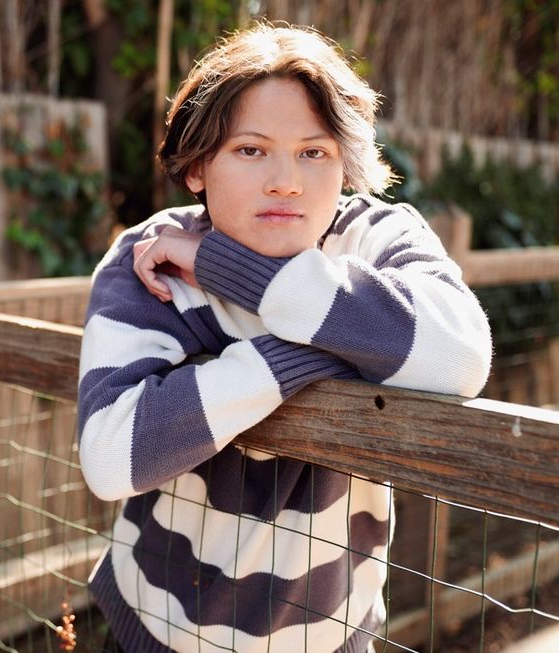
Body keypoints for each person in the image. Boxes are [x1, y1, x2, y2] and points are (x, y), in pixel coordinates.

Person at [76, 23, 492, 653]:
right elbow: (111, 456)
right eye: (250, 149)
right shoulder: (153, 262)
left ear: (344, 164)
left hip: (327, 636)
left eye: (313, 152)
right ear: (195, 165)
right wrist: (311, 353)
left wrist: (225, 267)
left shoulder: (377, 239)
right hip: (161, 627)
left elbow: (461, 357)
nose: (286, 182)